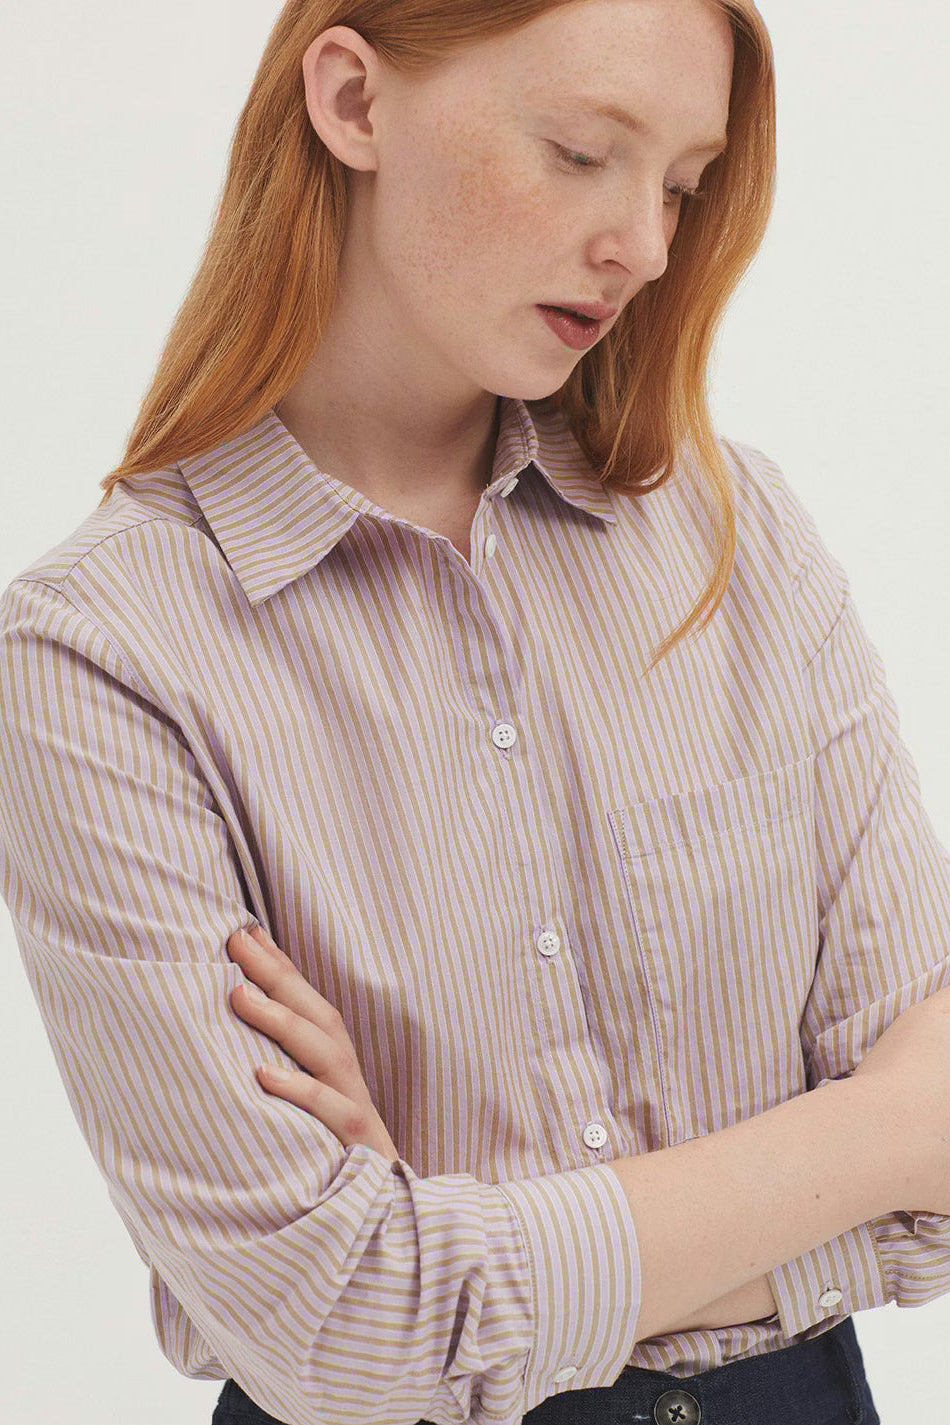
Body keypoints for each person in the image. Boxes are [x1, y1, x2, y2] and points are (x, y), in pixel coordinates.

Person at [2, 1, 950, 1423]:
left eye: (683, 186)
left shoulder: (731, 535)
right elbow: (345, 1319)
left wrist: (454, 1243)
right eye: (580, 151)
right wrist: (865, 1136)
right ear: (351, 102)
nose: (643, 240)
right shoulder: (103, 650)